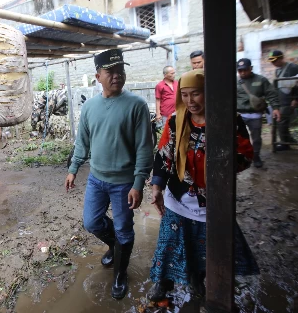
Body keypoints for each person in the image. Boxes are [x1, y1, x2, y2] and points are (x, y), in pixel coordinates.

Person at [147, 70, 259, 301]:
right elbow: (162, 156)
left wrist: (222, 158)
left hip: (213, 199)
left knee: (208, 245)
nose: (190, 101)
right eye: (185, 95)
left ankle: (199, 279)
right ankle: (164, 282)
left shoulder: (227, 120)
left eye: (196, 94)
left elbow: (246, 155)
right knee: (169, 242)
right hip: (178, 197)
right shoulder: (176, 121)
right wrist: (157, 187)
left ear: (208, 94)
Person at [65, 48, 154, 300]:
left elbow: (144, 148)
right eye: (110, 71)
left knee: (125, 229)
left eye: (120, 71)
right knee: (92, 222)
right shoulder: (90, 107)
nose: (117, 76)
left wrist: (139, 183)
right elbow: (82, 142)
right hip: (96, 178)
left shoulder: (136, 105)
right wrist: (74, 169)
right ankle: (114, 246)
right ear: (98, 76)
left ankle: (120, 273)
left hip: (124, 182)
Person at [236, 58, 281, 167]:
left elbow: (271, 94)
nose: (242, 72)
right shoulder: (235, 82)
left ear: (251, 68)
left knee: (256, 138)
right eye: (240, 70)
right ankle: (241, 156)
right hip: (239, 115)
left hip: (255, 115)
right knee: (239, 137)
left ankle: (256, 156)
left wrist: (275, 108)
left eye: (245, 70)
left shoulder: (261, 80)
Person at [268, 50, 298, 151]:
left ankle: (285, 144)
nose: (273, 63)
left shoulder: (293, 68)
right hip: (280, 99)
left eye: (275, 61)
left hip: (289, 99)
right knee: (281, 121)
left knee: (282, 121)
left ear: (281, 58)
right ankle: (288, 139)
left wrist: (296, 99)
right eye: (272, 61)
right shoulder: (278, 70)